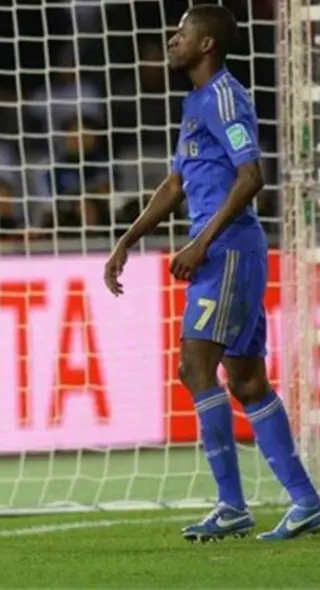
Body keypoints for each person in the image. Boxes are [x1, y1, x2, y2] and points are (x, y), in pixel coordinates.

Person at [103, 4, 320, 542]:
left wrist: (201, 244)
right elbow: (177, 184)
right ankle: (306, 501)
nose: (171, 39)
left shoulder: (225, 96)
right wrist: (127, 239)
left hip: (226, 251)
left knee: (195, 369)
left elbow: (251, 177)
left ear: (206, 45)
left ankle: (231, 506)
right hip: (228, 251)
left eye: (181, 32)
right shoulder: (196, 101)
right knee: (246, 381)